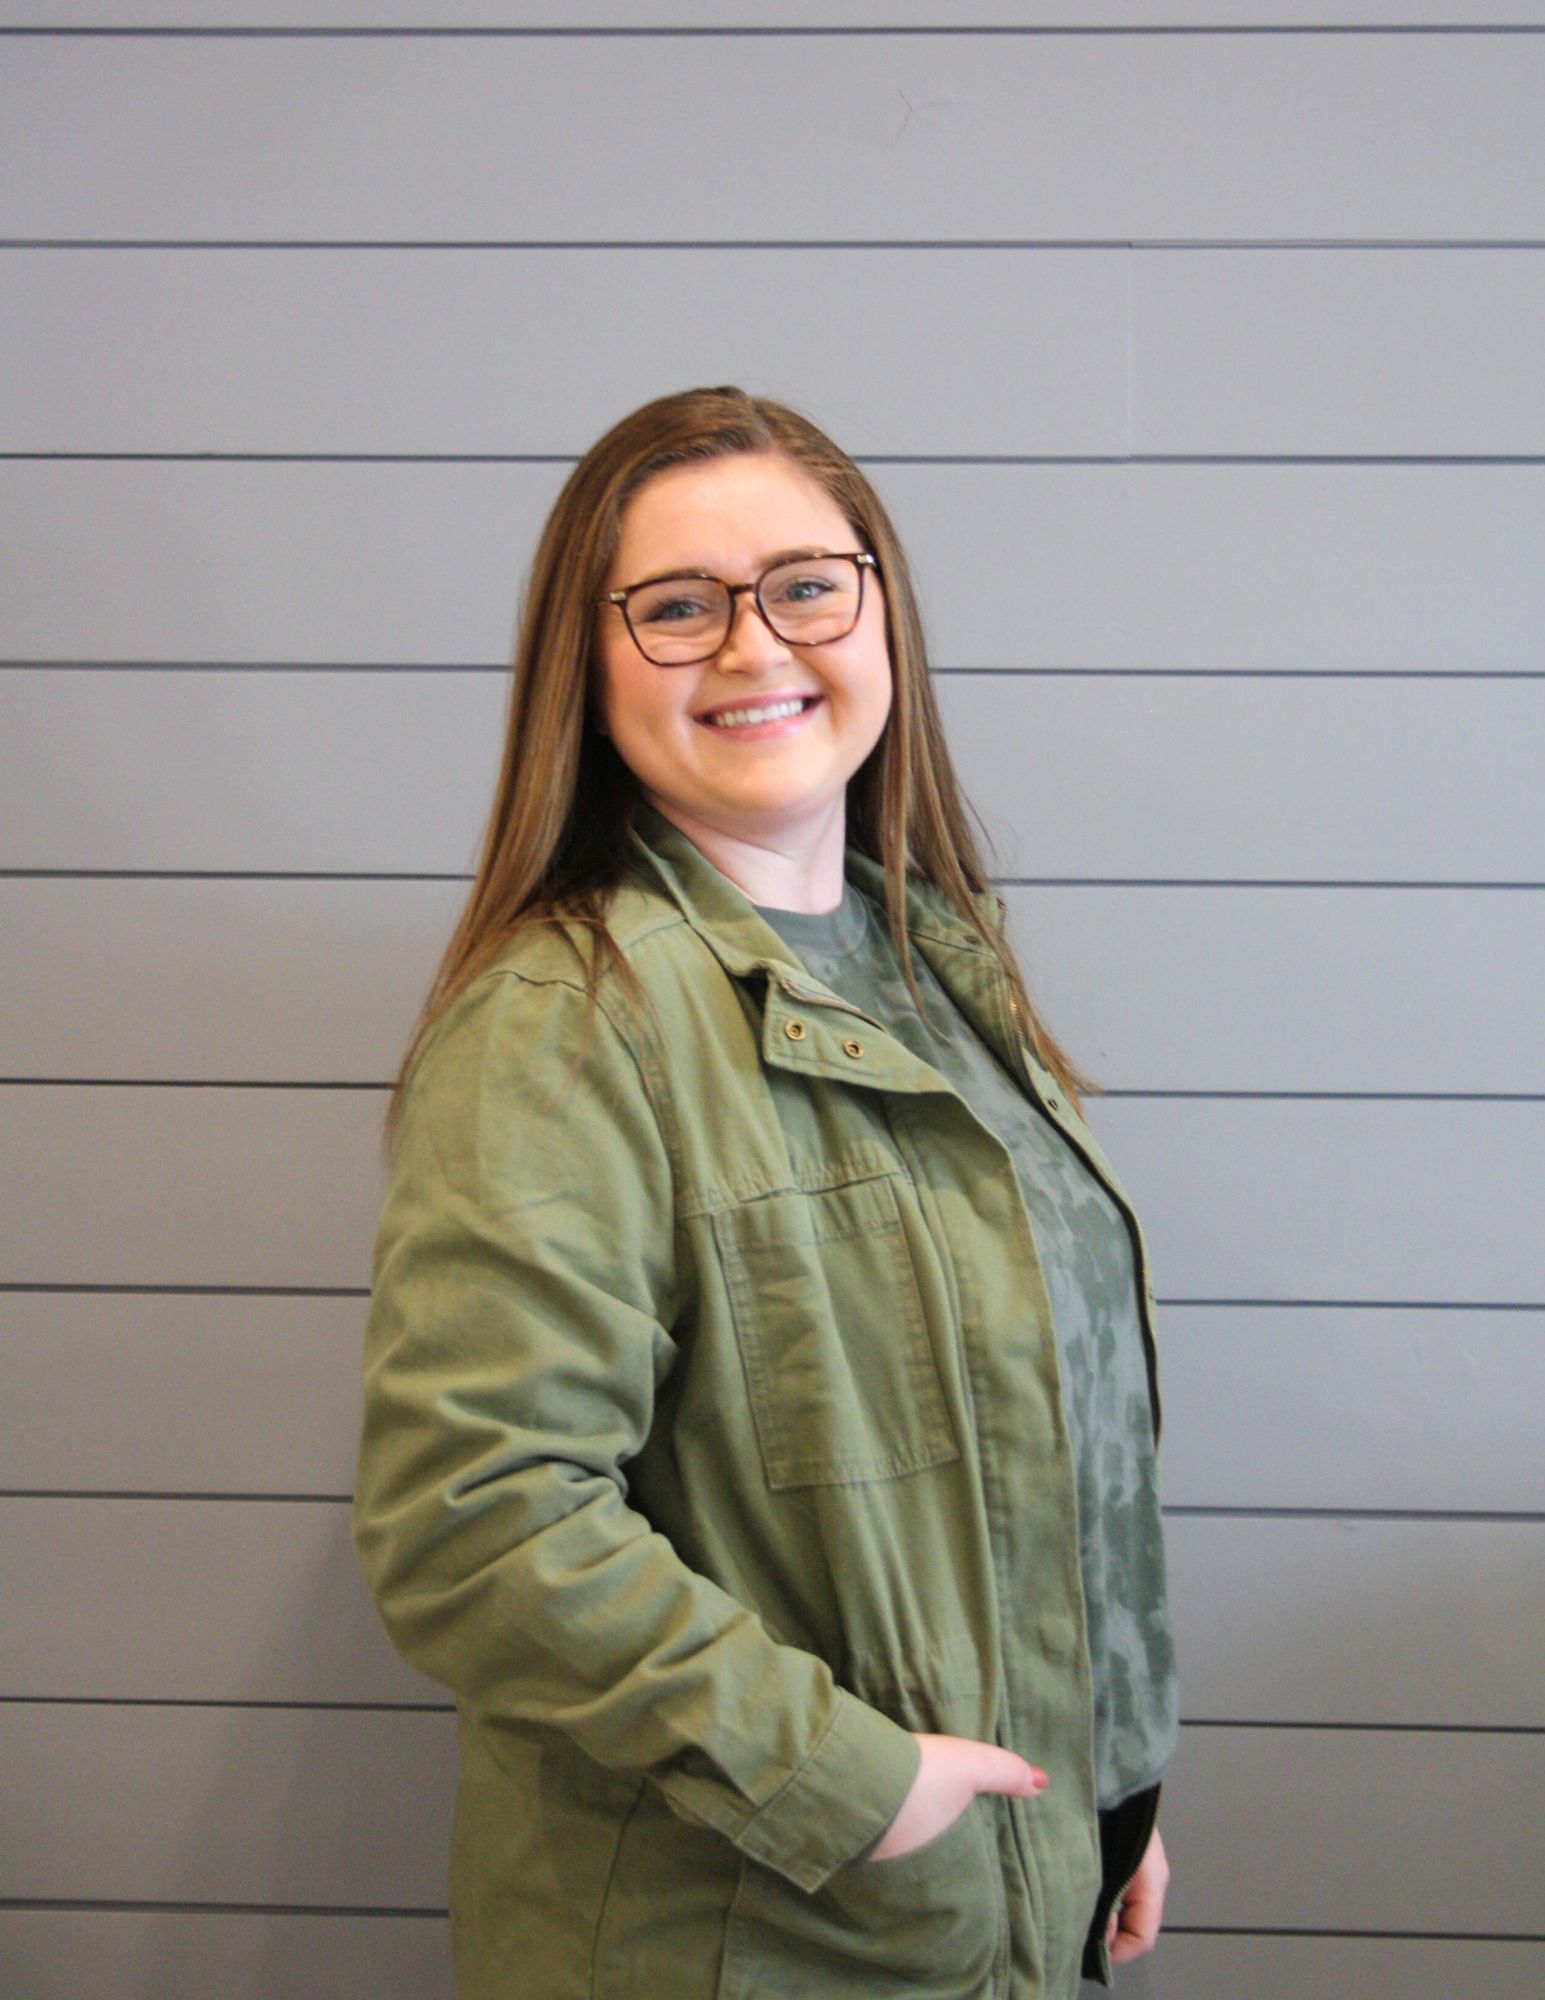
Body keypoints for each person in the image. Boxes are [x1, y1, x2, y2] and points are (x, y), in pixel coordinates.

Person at [353, 386, 1178, 2000]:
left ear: (880, 612)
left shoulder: (937, 974)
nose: (753, 645)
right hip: (753, 1941)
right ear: (586, 667)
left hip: (992, 1899)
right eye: (677, 608)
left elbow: (1043, 1451)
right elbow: (475, 1520)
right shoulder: (569, 1023)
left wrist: (1101, 1791)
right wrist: (848, 1782)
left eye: (804, 585)